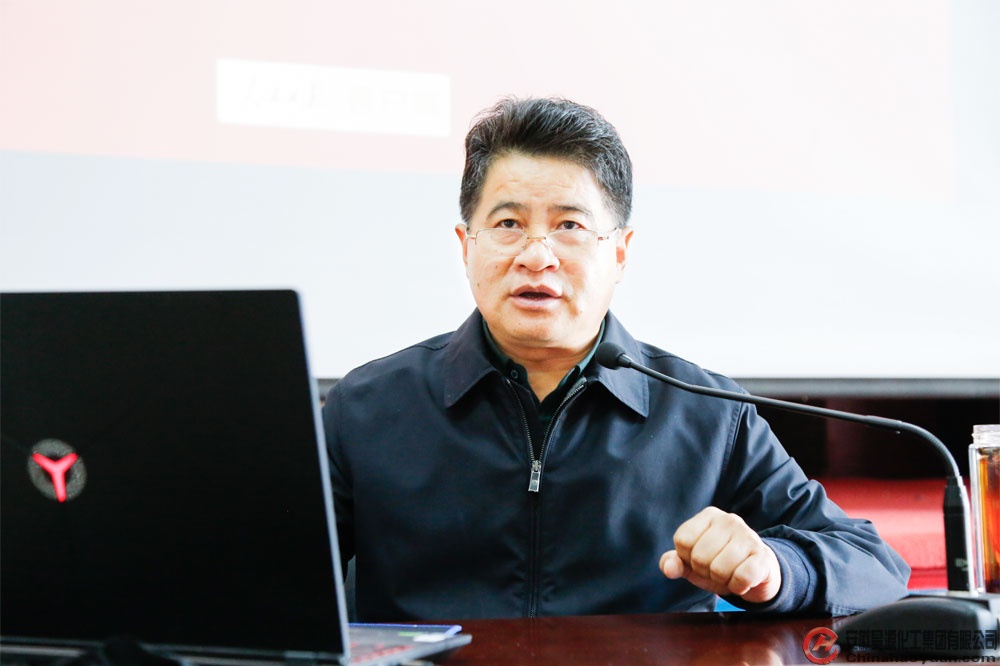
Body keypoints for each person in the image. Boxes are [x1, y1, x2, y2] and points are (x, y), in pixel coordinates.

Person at [323, 96, 909, 621]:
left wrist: (776, 568)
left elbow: (873, 565)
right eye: (507, 224)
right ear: (466, 245)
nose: (536, 255)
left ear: (621, 253)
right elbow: (277, 573)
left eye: (569, 225)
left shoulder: (706, 414)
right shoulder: (367, 408)